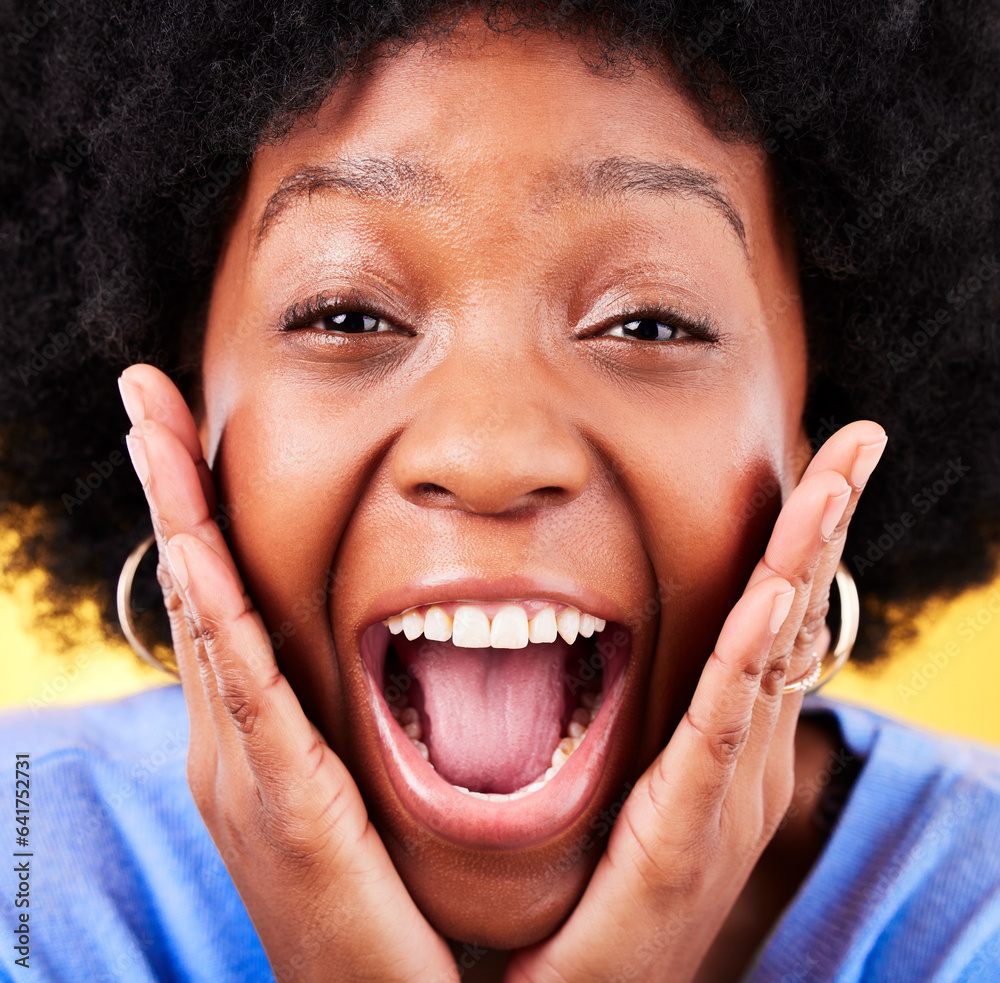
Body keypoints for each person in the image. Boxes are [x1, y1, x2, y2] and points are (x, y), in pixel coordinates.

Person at [1, 1, 999, 980]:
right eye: (347, 313)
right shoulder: (25, 869)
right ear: (193, 407)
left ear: (812, 416)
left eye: (647, 324)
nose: (490, 452)